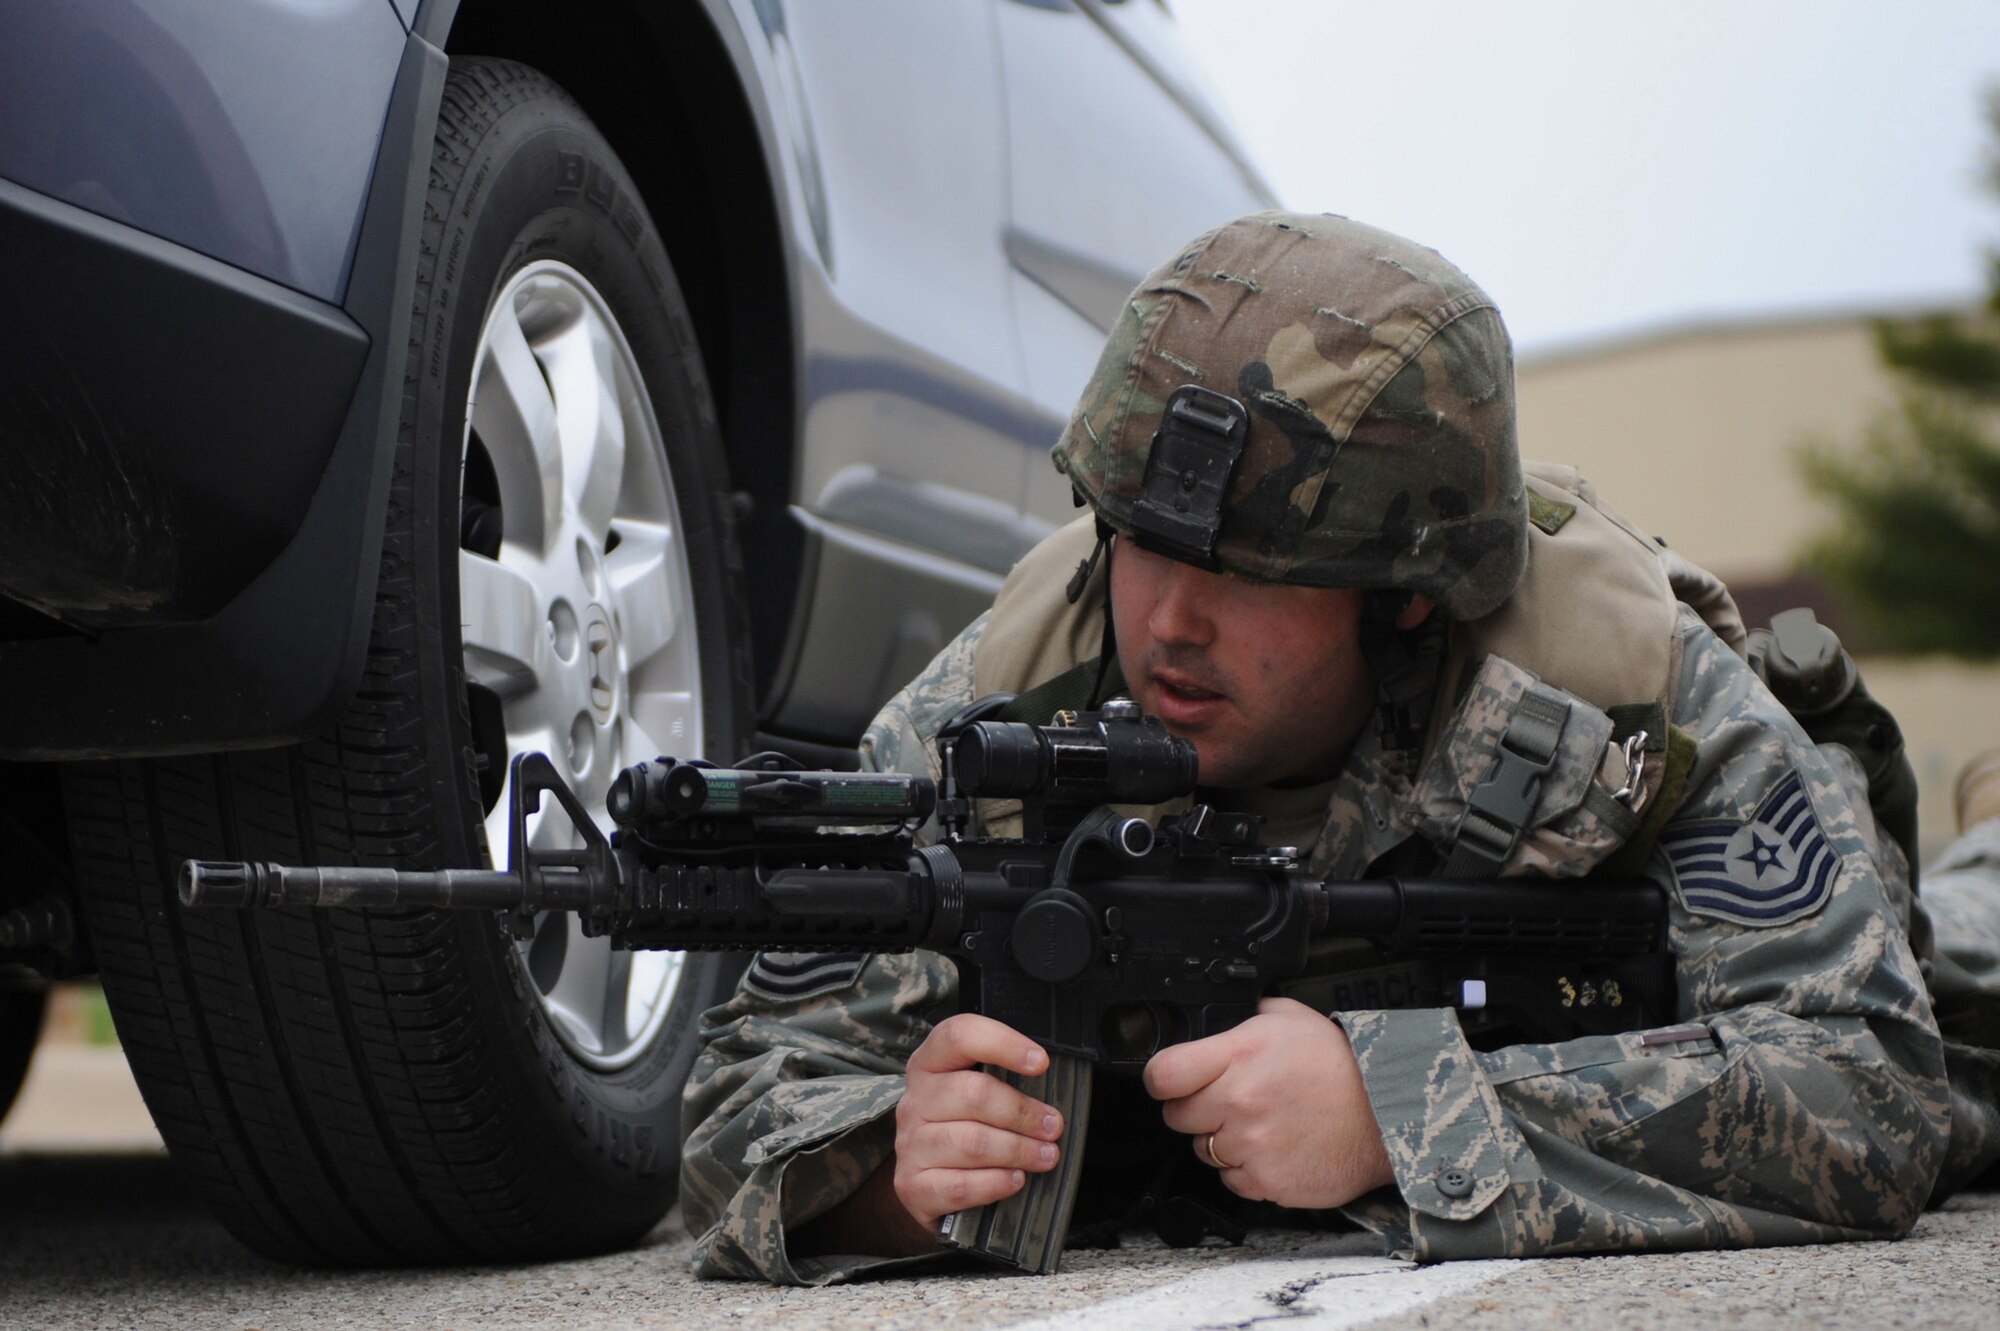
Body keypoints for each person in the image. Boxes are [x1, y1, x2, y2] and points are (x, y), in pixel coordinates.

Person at [678, 211, 1995, 1284]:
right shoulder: (1007, 708)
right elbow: (748, 1083)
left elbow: (1871, 1081)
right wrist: (879, 1182)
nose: (1170, 624)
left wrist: (1396, 1112)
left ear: (1407, 594)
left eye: (1251, 575)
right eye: (1141, 539)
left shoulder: (1624, 705)